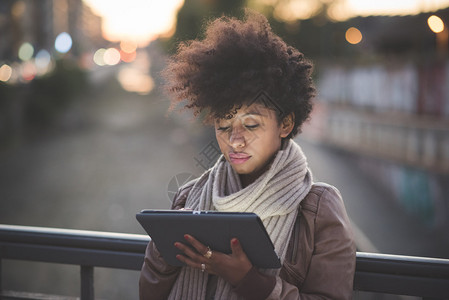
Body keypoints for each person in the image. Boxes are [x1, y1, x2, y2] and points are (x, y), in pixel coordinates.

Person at [139, 9, 356, 300]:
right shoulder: (188, 198)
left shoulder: (319, 210)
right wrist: (166, 252)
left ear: (286, 124)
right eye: (223, 126)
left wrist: (248, 280)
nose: (235, 141)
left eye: (251, 125)